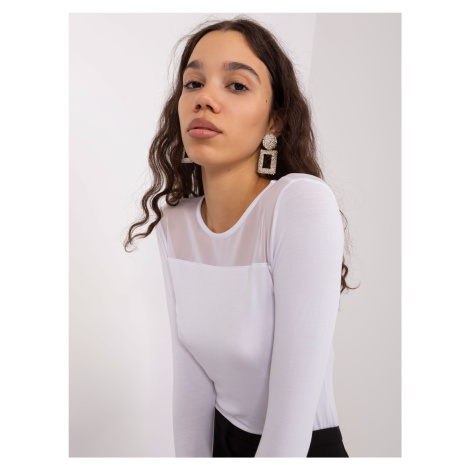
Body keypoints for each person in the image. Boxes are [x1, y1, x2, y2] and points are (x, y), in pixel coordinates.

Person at [124, 15, 358, 458]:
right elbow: (190, 386)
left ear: (275, 122)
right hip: (222, 444)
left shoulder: (299, 204)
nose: (205, 98)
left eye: (236, 85)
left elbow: (291, 422)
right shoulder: (176, 223)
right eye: (193, 83)